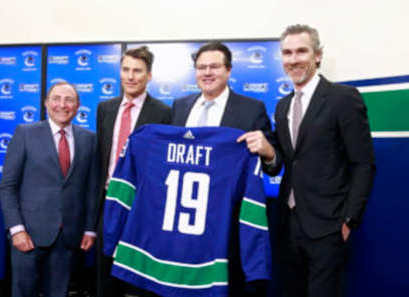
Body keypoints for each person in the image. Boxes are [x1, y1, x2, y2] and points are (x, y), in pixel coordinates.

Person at [265, 24, 376, 297]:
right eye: (287, 53)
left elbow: (364, 164)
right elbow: (282, 162)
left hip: (328, 227)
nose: (293, 59)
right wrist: (267, 152)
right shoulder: (282, 106)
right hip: (288, 224)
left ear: (317, 55)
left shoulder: (343, 98)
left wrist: (349, 219)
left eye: (301, 51)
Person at [171, 41, 276, 297]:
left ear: (228, 71)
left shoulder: (252, 109)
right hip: (184, 222)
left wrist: (268, 152)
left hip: (228, 225)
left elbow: (274, 165)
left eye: (214, 66)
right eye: (201, 67)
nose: (207, 73)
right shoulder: (179, 107)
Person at [0, 82, 99, 297]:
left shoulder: (89, 139)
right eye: (56, 98)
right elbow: (8, 186)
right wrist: (16, 230)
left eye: (69, 99)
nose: (62, 105)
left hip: (68, 237)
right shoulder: (25, 133)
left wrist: (90, 228)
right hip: (28, 234)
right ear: (46, 103)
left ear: (78, 105)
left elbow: (91, 188)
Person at [95, 45, 171, 297]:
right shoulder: (105, 108)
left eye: (137, 71)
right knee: (105, 273)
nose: (130, 76)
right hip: (108, 201)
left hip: (143, 206)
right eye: (126, 69)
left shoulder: (163, 112)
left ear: (149, 76)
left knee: (139, 278)